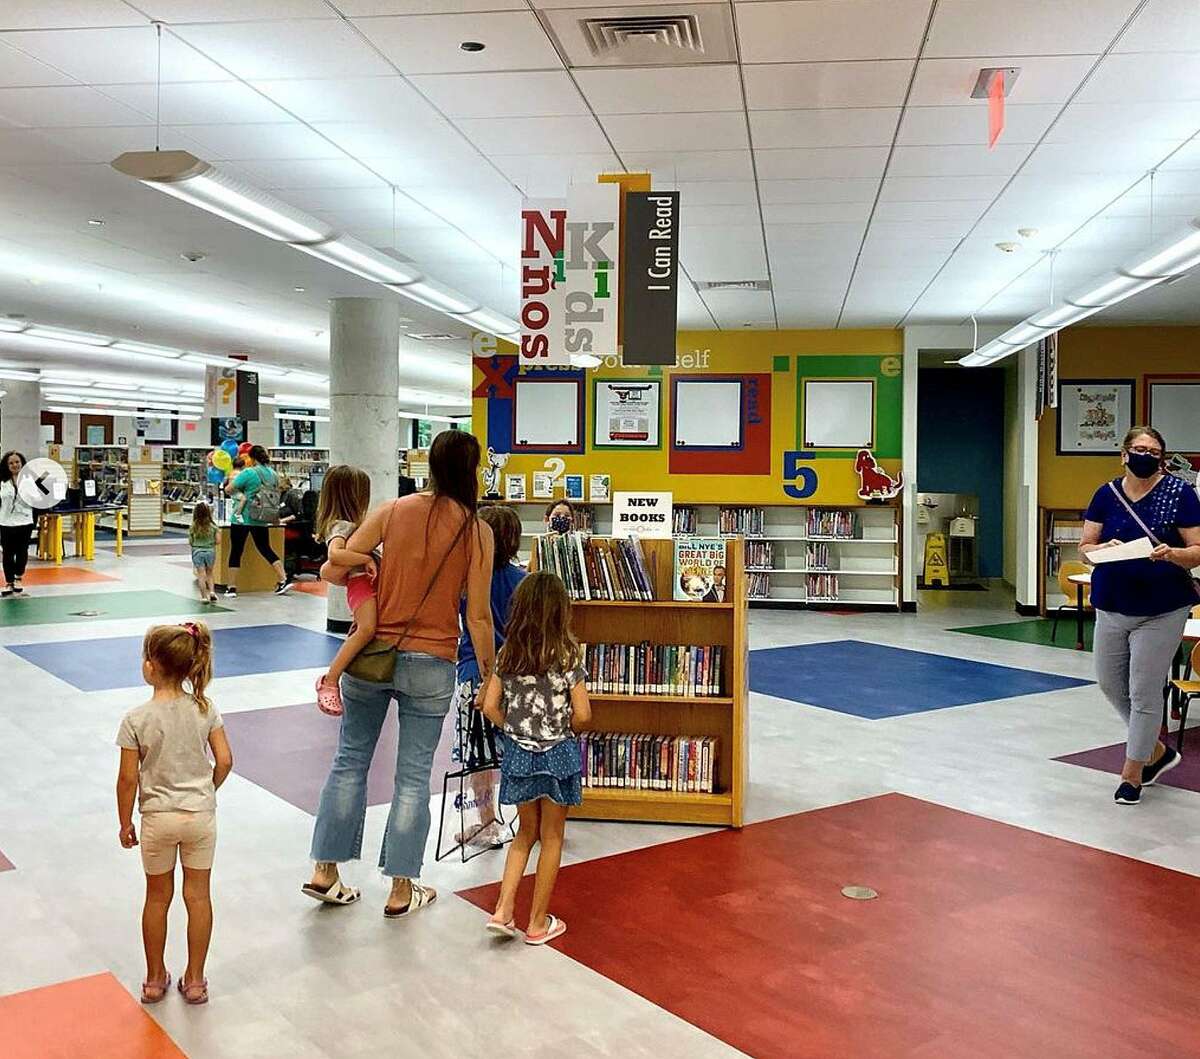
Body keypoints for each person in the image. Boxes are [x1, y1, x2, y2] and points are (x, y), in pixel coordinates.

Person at [304, 430, 495, 916]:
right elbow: (477, 615)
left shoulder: (392, 510)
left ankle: (325, 870)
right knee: (412, 778)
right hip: (433, 661)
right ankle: (401, 887)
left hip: (372, 655)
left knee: (350, 762)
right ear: (469, 470)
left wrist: (369, 561)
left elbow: (338, 561)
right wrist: (490, 673)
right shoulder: (477, 531)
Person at [1080, 426, 1200, 805]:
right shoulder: (1106, 494)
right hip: (1112, 602)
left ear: (1162, 458)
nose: (1145, 455)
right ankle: (1158, 752)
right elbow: (1085, 546)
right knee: (1110, 684)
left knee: (1145, 691)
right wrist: (1101, 549)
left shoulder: (1180, 494)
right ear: (1124, 454)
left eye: (1153, 450)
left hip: (1162, 607)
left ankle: (1132, 773)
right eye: (1138, 448)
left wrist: (1173, 554)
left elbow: (1197, 549)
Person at [115, 622, 233, 1005]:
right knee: (198, 897)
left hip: (157, 819)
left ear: (151, 666)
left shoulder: (136, 719)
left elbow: (127, 780)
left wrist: (125, 821)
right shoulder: (206, 709)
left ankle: (153, 978)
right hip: (199, 817)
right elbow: (226, 760)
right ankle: (195, 979)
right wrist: (206, 790)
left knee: (157, 898)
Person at [479, 571, 591, 944]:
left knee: (524, 834)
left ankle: (503, 909)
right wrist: (566, 730)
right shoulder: (568, 655)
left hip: (519, 754)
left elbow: (490, 705)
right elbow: (584, 713)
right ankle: (538, 922)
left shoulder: (508, 652)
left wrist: (513, 729)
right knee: (552, 836)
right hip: (557, 751)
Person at [454, 504, 526, 849]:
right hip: (516, 675)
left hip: (473, 671)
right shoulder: (524, 582)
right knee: (518, 745)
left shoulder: (467, 582)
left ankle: (486, 822)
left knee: (477, 754)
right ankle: (527, 819)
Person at [313, 466, 378, 717]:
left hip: (361, 582)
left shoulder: (351, 525)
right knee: (366, 629)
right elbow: (335, 554)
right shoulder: (340, 526)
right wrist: (365, 559)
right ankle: (329, 680)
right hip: (359, 582)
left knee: (365, 628)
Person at [223, 445, 290, 597]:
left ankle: (231, 587)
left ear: (252, 458)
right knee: (265, 548)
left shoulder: (249, 472)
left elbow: (229, 489)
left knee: (236, 551)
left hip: (242, 518)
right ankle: (283, 579)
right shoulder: (273, 474)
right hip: (262, 517)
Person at [0, 450, 34, 597]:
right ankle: (8, 582)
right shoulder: (1, 481)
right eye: (11, 463)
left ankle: (18, 577)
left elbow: (40, 498)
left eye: (17, 462)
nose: (15, 465)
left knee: (22, 551)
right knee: (7, 553)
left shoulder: (30, 479)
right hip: (6, 522)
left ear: (22, 463)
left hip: (25, 521)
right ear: (6, 465)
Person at [188, 502, 218, 604]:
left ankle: (204, 597)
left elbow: (190, 542)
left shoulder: (193, 527)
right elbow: (218, 541)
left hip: (197, 551)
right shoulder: (213, 526)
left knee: (201, 575)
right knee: (210, 573)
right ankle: (212, 592)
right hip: (210, 551)